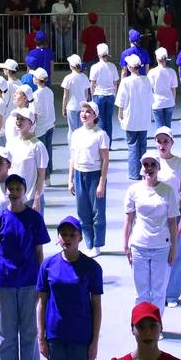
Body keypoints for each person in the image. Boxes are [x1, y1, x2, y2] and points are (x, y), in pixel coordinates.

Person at [37, 215, 102, 360]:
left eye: (72, 234)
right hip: (56, 336)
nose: (67, 238)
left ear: (80, 238)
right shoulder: (48, 265)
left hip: (81, 337)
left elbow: (96, 306)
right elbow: (42, 302)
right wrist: (41, 336)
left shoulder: (91, 268)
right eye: (63, 234)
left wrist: (94, 342)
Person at [0, 173, 46, 360]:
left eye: (18, 188)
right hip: (5, 282)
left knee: (28, 330)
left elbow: (39, 252)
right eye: (10, 188)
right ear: (6, 191)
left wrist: (41, 282)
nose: (14, 192)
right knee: (8, 332)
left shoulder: (34, 218)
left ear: (24, 191)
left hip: (29, 281)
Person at [123, 154, 176, 308]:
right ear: (142, 167)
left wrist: (174, 248)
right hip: (139, 247)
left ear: (159, 167)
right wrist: (125, 246)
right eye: (146, 164)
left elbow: (172, 222)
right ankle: (141, 322)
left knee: (159, 292)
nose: (149, 168)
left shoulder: (168, 191)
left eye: (153, 164)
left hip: (161, 247)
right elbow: (128, 220)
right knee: (141, 293)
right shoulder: (133, 190)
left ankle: (157, 322)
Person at [68, 101, 111, 255]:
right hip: (79, 174)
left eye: (88, 112)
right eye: (82, 111)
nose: (84, 114)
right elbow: (73, 157)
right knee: (83, 211)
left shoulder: (100, 134)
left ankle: (97, 244)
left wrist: (101, 183)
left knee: (97, 211)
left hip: (94, 175)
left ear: (95, 115)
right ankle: (89, 243)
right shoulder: (76, 134)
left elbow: (105, 160)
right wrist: (70, 179)